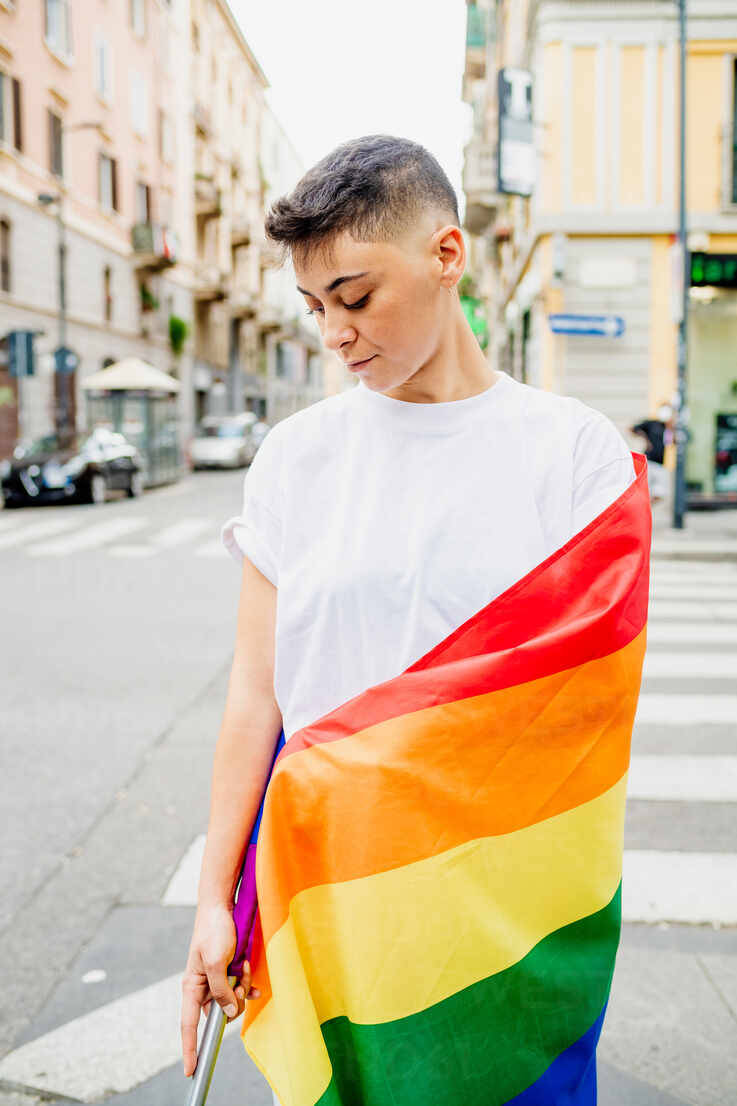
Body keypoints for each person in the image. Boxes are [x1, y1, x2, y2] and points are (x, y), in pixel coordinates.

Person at [181, 135, 636, 1102]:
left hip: (502, 906)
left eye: (353, 296)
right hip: (330, 894)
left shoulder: (575, 458)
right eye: (314, 308)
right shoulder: (296, 458)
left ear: (446, 255)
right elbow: (256, 694)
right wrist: (214, 898)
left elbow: (581, 714)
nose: (334, 333)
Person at [631, 405, 673, 504]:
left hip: (660, 464)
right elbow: (632, 429)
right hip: (649, 462)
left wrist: (671, 426)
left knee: (660, 493)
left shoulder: (668, 428)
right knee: (644, 491)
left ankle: (644, 507)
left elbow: (673, 441)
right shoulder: (652, 424)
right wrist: (646, 439)